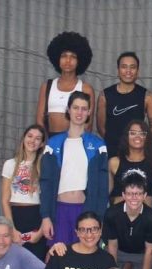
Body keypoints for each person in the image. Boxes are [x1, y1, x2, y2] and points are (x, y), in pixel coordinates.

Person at [40, 91, 109, 246]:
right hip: (59, 211)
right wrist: (46, 217)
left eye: (84, 109)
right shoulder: (53, 143)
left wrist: (100, 217)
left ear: (89, 112)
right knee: (58, 258)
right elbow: (46, 182)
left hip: (85, 211)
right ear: (68, 110)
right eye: (76, 107)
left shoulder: (98, 145)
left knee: (84, 259)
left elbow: (102, 187)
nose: (79, 112)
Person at [0, 124, 47, 269]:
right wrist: (12, 230)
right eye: (30, 136)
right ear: (23, 138)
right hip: (15, 219)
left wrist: (39, 231)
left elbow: (48, 199)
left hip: (36, 218)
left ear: (42, 143)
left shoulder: (45, 165)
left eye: (38, 138)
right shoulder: (10, 165)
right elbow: (5, 199)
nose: (33, 141)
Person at [97, 51, 152, 158]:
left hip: (137, 154)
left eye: (132, 67)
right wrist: (115, 141)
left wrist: (137, 140)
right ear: (118, 70)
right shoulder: (105, 95)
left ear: (137, 71)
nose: (128, 71)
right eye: (124, 67)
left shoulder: (147, 96)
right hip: (112, 153)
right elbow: (101, 128)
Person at [36, 31, 95, 135]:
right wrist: (46, 143)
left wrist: (73, 142)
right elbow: (40, 120)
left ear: (79, 61)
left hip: (76, 141)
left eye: (73, 57)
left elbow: (88, 124)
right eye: (64, 56)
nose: (68, 60)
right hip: (50, 142)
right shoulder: (47, 87)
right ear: (57, 59)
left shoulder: (86, 89)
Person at [108, 120, 152, 207]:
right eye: (133, 133)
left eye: (142, 133)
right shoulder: (114, 162)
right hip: (118, 217)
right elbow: (104, 194)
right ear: (127, 137)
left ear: (147, 137)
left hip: (145, 218)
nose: (137, 137)